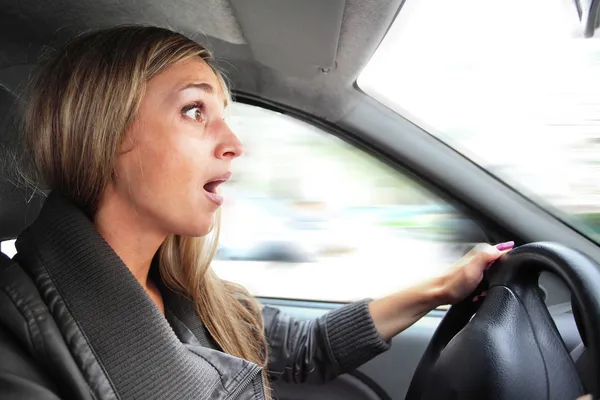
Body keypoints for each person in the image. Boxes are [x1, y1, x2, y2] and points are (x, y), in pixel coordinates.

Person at [0, 26, 512, 400]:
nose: (234, 144)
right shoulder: (15, 336)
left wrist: (445, 287)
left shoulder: (191, 295)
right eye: (195, 111)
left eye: (226, 116)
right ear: (104, 133)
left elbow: (310, 344)